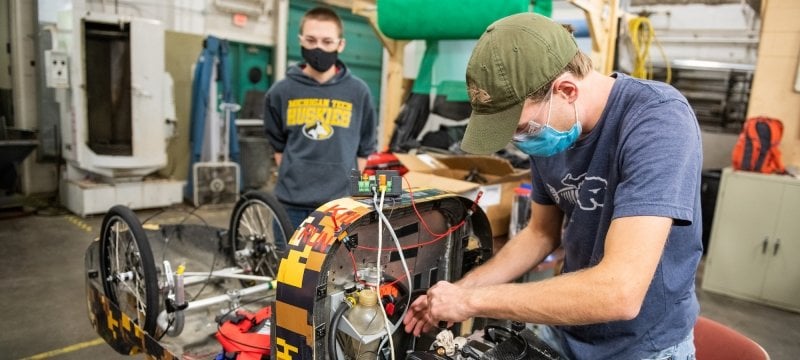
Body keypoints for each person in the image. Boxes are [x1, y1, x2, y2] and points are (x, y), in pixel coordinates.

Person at [403, 13, 702, 360]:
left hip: (643, 347)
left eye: (522, 129)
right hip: (568, 329)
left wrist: (472, 301)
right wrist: (457, 290)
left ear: (566, 90)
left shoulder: (658, 120)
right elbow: (541, 233)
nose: (519, 142)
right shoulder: (552, 127)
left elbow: (619, 291)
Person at [263, 6, 377, 229]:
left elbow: (365, 147)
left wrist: (346, 187)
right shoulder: (281, 91)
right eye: (311, 40)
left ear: (340, 44)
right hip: (290, 205)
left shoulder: (358, 92)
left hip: (339, 206)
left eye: (327, 41)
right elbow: (277, 144)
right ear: (301, 41)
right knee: (287, 263)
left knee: (335, 265)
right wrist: (296, 175)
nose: (318, 48)